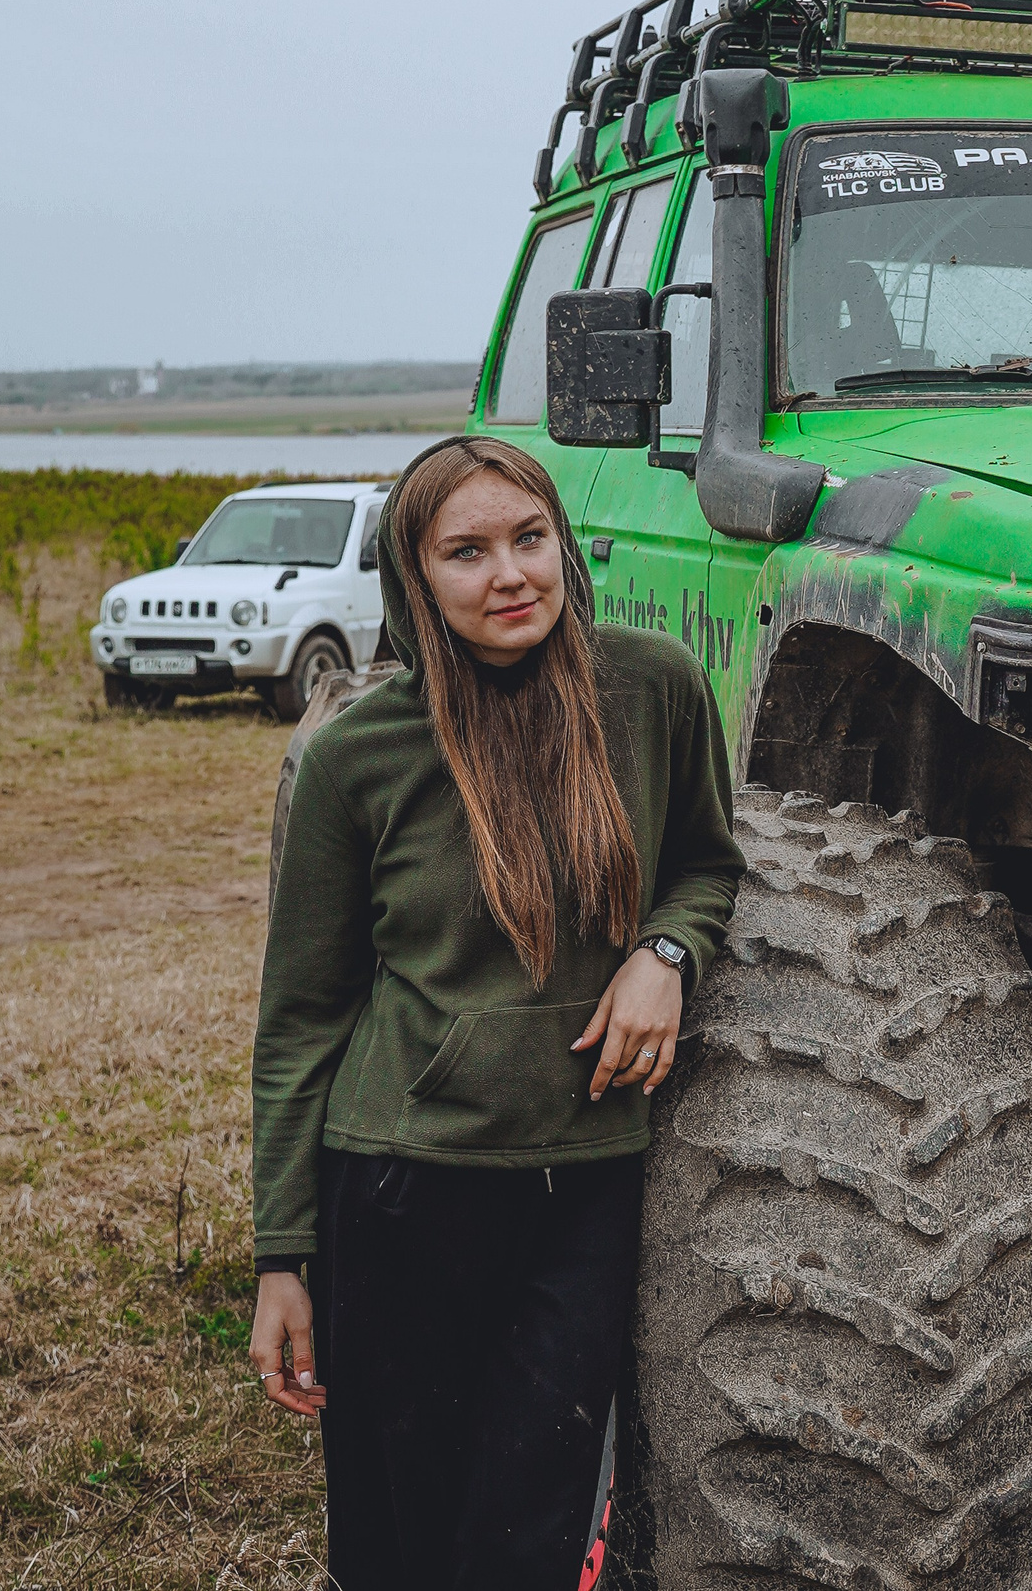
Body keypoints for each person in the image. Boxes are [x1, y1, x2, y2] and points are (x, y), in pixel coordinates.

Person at [248, 435, 744, 1588]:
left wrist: (667, 952)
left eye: (528, 539)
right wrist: (284, 1254)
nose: (509, 575)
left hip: (587, 1181)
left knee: (532, 1516)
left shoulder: (654, 688)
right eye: (464, 552)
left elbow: (706, 864)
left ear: (563, 543)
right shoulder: (356, 757)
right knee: (396, 1529)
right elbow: (301, 1020)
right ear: (412, 581)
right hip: (401, 1182)